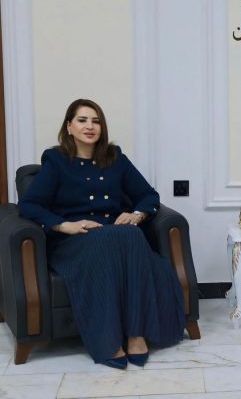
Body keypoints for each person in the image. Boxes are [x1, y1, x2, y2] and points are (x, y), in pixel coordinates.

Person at [19, 99, 186, 369]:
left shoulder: (115, 158)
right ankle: (109, 343)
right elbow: (29, 205)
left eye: (96, 121)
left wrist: (136, 215)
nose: (90, 126)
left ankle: (136, 335)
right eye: (82, 120)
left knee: (131, 233)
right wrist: (64, 225)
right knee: (126, 237)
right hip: (75, 241)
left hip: (116, 236)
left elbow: (148, 195)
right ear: (69, 127)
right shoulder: (57, 161)